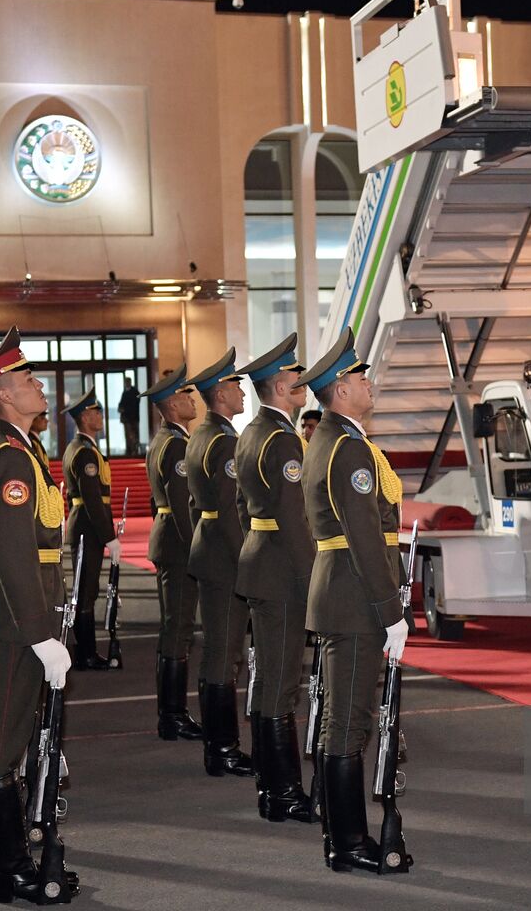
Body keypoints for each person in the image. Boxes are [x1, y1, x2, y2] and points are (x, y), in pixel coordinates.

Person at [0, 326, 78, 903]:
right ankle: (10, 869)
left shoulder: (18, 447)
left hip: (14, 610)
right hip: (14, 617)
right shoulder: (9, 455)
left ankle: (10, 854)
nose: (39, 386)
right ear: (5, 394)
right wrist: (40, 635)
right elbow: (13, 553)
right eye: (29, 379)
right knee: (3, 739)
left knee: (3, 730)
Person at [297, 326, 408, 873]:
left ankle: (341, 836)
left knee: (344, 720)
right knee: (347, 724)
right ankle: (347, 842)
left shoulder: (335, 442)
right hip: (355, 597)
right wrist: (391, 611)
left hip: (343, 590)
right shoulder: (345, 448)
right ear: (341, 389)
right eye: (360, 376)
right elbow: (365, 537)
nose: (369, 382)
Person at [235, 333, 318, 823]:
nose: (302, 380)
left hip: (260, 563)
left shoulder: (251, 434)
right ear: (279, 386)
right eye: (295, 376)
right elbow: (294, 519)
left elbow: (244, 510)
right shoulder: (283, 439)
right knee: (281, 683)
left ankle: (272, 787)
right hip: (283, 572)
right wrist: (313, 584)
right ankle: (284, 792)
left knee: (268, 678)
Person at [184, 349, 253, 778]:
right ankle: (222, 748)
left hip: (208, 550)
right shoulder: (224, 441)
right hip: (225, 557)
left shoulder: (200, 435)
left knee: (218, 650)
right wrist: (245, 563)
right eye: (235, 385)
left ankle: (218, 745)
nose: (242, 391)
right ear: (220, 393)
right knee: (222, 654)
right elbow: (230, 512)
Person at [141, 365, 203, 742]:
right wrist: (197, 551)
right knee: (177, 630)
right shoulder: (177, 444)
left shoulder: (163, 440)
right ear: (171, 403)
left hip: (167, 540)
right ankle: (173, 714)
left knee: (175, 628)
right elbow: (182, 507)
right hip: (180, 546)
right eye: (186, 395)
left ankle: (172, 713)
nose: (193, 400)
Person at [62, 388, 120, 670]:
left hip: (86, 525)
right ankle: (85, 653)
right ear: (84, 417)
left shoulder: (85, 449)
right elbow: (93, 500)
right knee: (85, 592)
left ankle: (85, 651)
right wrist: (109, 536)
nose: (100, 416)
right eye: (96, 411)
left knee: (87, 590)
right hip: (87, 526)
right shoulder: (84, 452)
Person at [119, 375, 142, 457]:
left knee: (133, 434)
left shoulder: (134, 392)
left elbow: (134, 405)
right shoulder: (125, 392)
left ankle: (134, 449)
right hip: (127, 418)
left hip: (133, 417)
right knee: (128, 435)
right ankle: (130, 449)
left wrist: (125, 409)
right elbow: (121, 403)